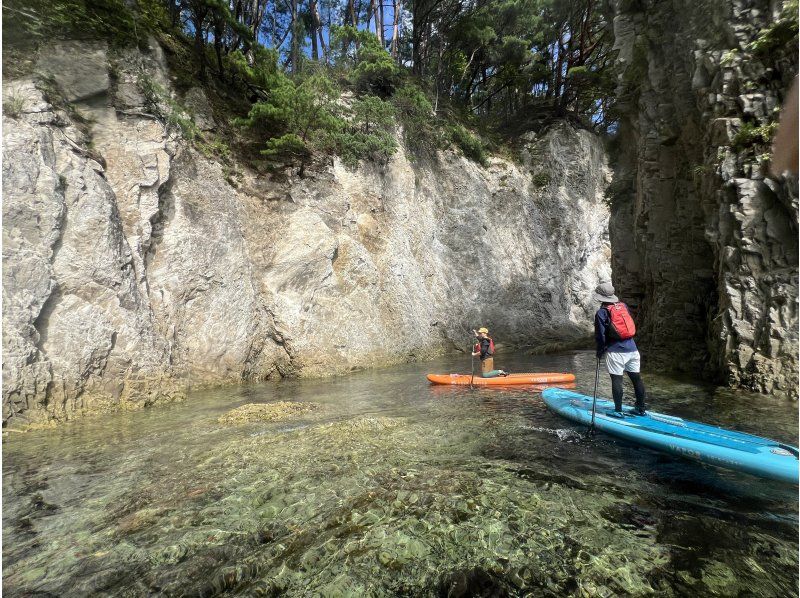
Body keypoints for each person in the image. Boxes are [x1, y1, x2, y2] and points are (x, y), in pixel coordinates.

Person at [593, 282, 647, 416]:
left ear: (600, 297)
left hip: (616, 351)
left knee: (617, 380)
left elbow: (601, 335)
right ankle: (640, 408)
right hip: (633, 350)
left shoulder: (602, 312)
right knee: (636, 379)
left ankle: (618, 411)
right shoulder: (623, 306)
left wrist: (599, 352)